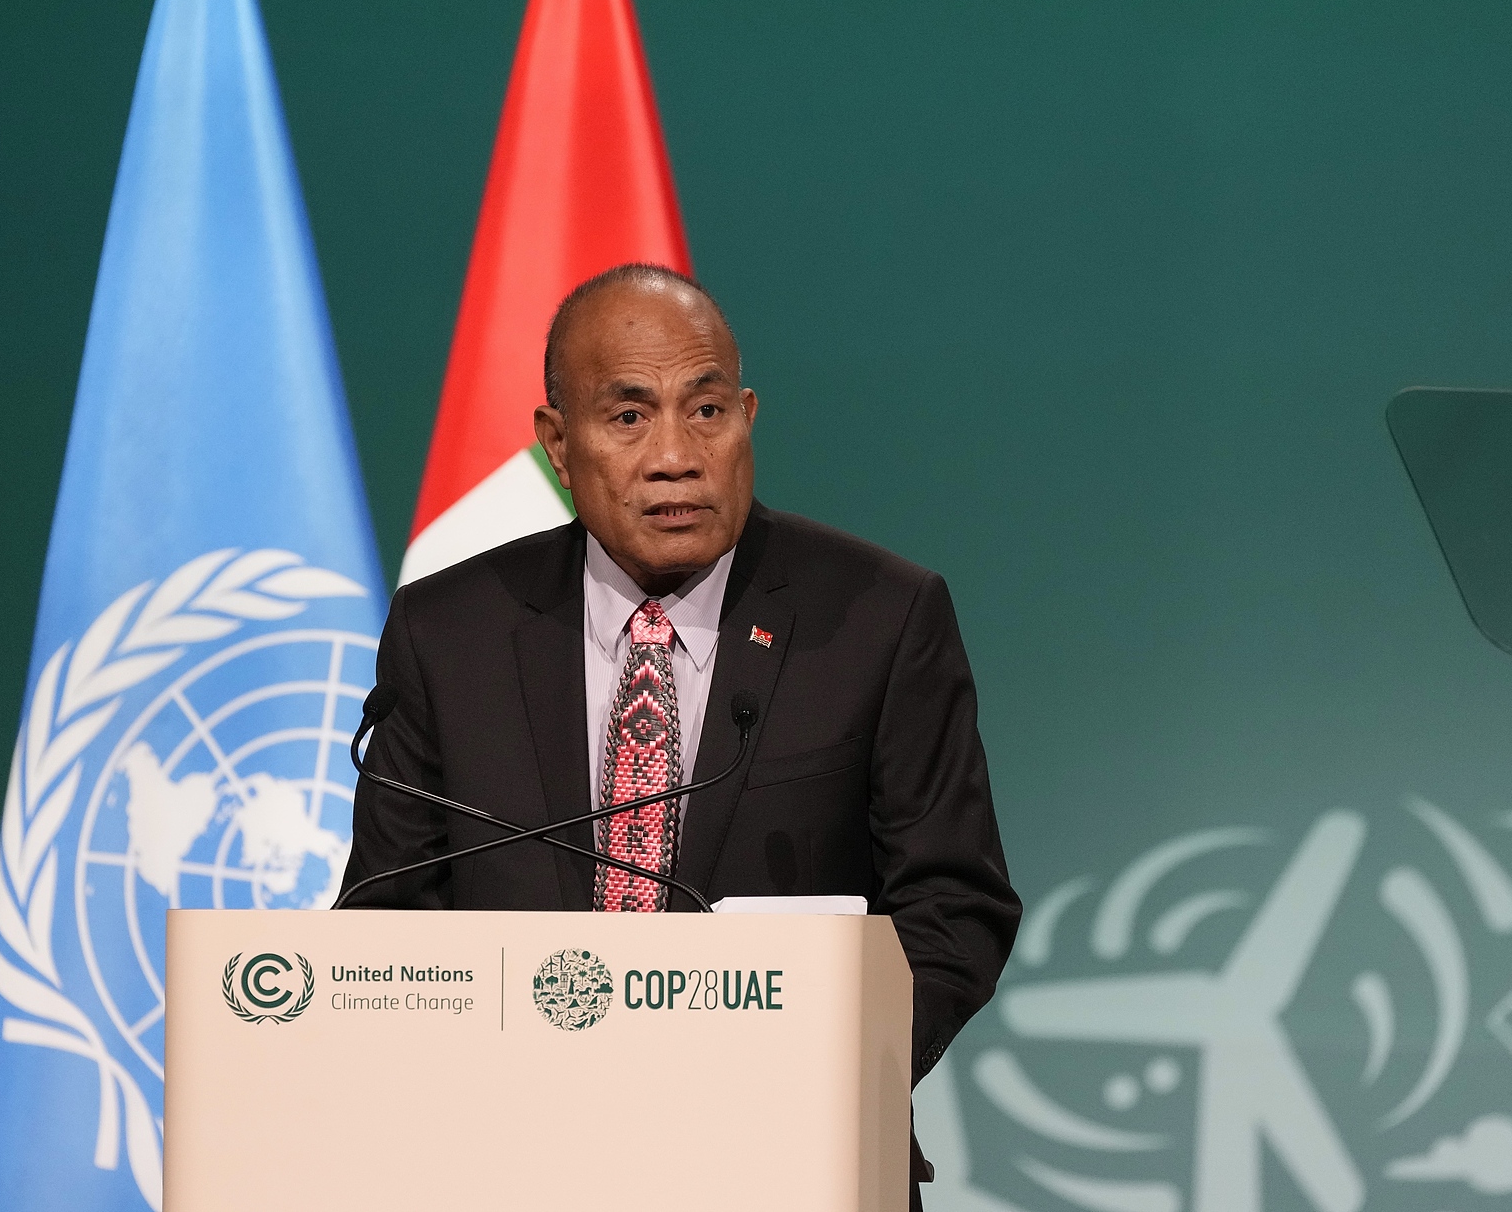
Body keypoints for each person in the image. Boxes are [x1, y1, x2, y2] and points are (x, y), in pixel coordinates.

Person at [341, 263, 1019, 1207]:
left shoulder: (878, 618)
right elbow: (385, 923)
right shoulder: (448, 632)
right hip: (512, 1168)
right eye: (628, 417)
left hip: (793, 1167)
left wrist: (826, 1077)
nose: (675, 454)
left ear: (748, 418)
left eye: (706, 411)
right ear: (556, 445)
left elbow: (954, 904)